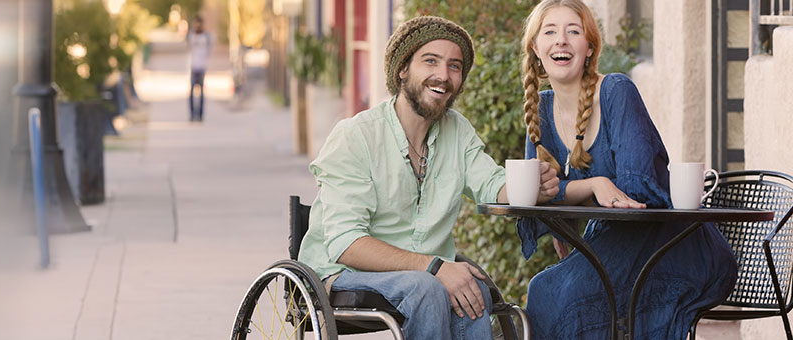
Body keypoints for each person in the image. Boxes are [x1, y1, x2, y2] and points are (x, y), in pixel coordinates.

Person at [298, 16, 559, 340]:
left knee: (472, 288)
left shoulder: (457, 131)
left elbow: (492, 184)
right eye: (430, 61)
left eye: (454, 65)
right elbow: (346, 244)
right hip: (344, 275)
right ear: (403, 69)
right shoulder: (356, 136)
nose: (443, 75)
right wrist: (433, 267)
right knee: (428, 287)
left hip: (424, 276)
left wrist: (532, 186)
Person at [514, 1, 738, 338]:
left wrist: (572, 192)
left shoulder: (617, 91)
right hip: (612, 243)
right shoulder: (541, 109)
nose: (561, 40)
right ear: (535, 47)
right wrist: (593, 185)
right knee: (546, 286)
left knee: (556, 294)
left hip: (673, 247)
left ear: (589, 48)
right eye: (550, 31)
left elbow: (636, 189)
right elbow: (535, 195)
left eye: (573, 31)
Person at [186, 17, 212, 122]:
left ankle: (200, 115)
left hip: (202, 67)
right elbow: (187, 46)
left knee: (201, 93)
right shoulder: (191, 36)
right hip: (193, 67)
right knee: (191, 93)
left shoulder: (206, 36)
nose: (197, 26)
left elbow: (209, 50)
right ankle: (192, 115)